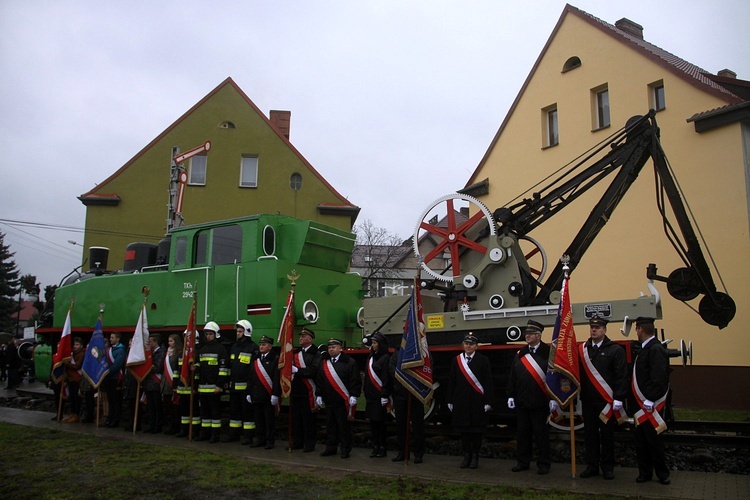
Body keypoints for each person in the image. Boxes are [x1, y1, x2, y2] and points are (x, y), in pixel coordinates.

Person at [576, 315, 628, 480]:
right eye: (592, 327)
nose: (594, 330)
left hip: (606, 402)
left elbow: (621, 375)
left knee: (607, 436)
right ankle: (592, 466)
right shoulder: (583, 349)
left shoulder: (615, 350)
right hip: (588, 401)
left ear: (604, 330)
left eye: (597, 328)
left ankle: (607, 467)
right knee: (590, 435)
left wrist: (619, 397)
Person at [507, 319, 552, 474]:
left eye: (531, 334)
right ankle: (523, 462)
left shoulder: (548, 353)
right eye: (526, 334)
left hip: (540, 401)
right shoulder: (520, 354)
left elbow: (554, 377)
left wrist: (554, 399)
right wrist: (511, 395)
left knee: (541, 435)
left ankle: (544, 463)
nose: (527, 336)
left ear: (539, 336)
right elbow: (513, 376)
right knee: (523, 434)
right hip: (522, 401)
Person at [631, 317, 671, 485]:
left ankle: (662, 473)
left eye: (636, 329)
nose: (636, 332)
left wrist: (651, 399)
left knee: (654, 441)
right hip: (641, 404)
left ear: (640, 329)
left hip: (650, 404)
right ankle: (645, 472)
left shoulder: (655, 349)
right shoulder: (646, 348)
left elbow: (659, 376)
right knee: (642, 441)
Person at [447, 333, 494, 469]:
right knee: (464, 432)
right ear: (463, 345)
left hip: (477, 401)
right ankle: (466, 456)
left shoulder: (483, 360)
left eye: (471, 344)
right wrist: (449, 400)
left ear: (476, 346)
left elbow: (488, 381)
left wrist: (488, 401)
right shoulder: (457, 360)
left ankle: (475, 457)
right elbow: (452, 381)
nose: (468, 346)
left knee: (476, 431)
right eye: (466, 343)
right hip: (461, 401)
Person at [316, 338, 361, 459]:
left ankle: (345, 449)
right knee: (330, 426)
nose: (331, 350)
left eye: (334, 347)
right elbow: (320, 380)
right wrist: (319, 394)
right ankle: (331, 448)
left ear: (340, 349)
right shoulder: (324, 363)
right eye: (329, 348)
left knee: (343, 427)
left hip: (342, 401)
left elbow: (355, 380)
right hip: (329, 400)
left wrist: (354, 395)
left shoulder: (350, 363)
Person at [389, 346, 426, 464]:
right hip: (400, 393)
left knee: (418, 425)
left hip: (416, 394)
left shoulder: (422, 352)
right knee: (401, 425)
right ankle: (402, 452)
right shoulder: (397, 353)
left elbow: (425, 369)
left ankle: (418, 453)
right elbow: (391, 368)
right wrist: (404, 377)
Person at [193, 322, 229, 443]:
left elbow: (223, 370)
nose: (208, 336)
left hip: (214, 388)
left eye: (210, 334)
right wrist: (195, 371)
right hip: (202, 388)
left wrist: (219, 385)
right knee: (205, 414)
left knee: (215, 413)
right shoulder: (202, 350)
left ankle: (215, 435)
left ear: (216, 334)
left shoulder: (221, 350)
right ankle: (205, 433)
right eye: (207, 334)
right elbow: (198, 367)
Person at [226, 320, 258, 444]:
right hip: (234, 387)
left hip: (246, 388)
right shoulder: (234, 347)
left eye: (240, 331)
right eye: (237, 331)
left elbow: (253, 370)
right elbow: (231, 366)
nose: (237, 334)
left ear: (247, 332)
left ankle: (248, 436)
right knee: (234, 413)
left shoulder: (253, 348)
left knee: (248, 414)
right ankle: (233, 435)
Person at [247, 335, 281, 449]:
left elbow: (276, 378)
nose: (261, 347)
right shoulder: (256, 359)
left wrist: (276, 394)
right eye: (260, 344)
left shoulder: (275, 359)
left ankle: (270, 441)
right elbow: (251, 377)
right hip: (256, 394)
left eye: (264, 345)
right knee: (258, 419)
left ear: (270, 347)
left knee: (269, 420)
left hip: (268, 395)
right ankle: (260, 439)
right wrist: (249, 392)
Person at [291, 326, 321, 452]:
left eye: (303, 337)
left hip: (308, 390)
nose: (301, 338)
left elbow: (314, 370)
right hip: (296, 389)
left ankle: (309, 444)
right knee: (296, 419)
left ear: (310, 339)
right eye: (300, 336)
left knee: (308, 419)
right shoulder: (296, 353)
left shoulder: (316, 353)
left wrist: (298, 370)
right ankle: (297, 442)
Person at [363, 331, 391, 458]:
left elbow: (386, 378)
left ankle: (382, 447)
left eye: (374, 343)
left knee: (380, 424)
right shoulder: (370, 358)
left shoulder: (385, 358)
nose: (372, 345)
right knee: (373, 424)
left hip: (380, 396)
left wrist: (385, 394)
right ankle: (375, 446)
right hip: (371, 397)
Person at [102, 332, 126, 428]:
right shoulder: (109, 350)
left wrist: (107, 371)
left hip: (116, 378)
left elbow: (117, 365)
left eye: (112, 337)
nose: (110, 339)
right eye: (110, 337)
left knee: (116, 400)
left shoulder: (120, 351)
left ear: (118, 339)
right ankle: (110, 418)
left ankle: (115, 420)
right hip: (108, 378)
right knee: (110, 400)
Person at [143, 333, 165, 433]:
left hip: (156, 383)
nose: (149, 343)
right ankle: (151, 425)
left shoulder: (161, 352)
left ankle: (158, 425)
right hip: (148, 383)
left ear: (155, 342)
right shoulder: (149, 353)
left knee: (157, 406)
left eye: (150, 341)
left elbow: (158, 367)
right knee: (150, 406)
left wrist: (148, 368)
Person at [161, 333, 182, 435]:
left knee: (175, 408)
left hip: (173, 382)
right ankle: (171, 426)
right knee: (168, 406)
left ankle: (176, 426)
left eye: (171, 341)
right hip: (166, 383)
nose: (169, 343)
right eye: (169, 341)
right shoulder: (167, 353)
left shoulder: (178, 353)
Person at [62, 337, 85, 423]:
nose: (75, 346)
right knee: (71, 397)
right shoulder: (72, 354)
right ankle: (72, 413)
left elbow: (77, 366)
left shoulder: (81, 354)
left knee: (76, 397)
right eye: (74, 344)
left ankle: (76, 414)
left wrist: (67, 364)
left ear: (81, 346)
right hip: (71, 378)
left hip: (77, 378)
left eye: (77, 344)